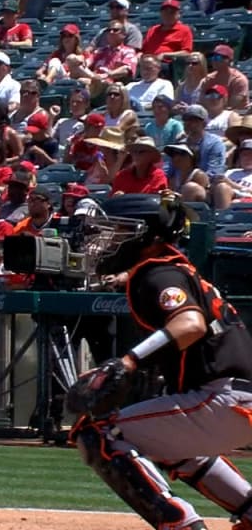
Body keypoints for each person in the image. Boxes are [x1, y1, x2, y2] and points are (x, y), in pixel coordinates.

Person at [69, 193, 252, 530]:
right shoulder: (173, 270)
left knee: (97, 432)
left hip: (223, 398)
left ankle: (178, 523)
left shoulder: (157, 274)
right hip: (234, 398)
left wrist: (127, 361)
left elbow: (190, 324)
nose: (106, 240)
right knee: (166, 444)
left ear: (147, 236)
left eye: (117, 230)